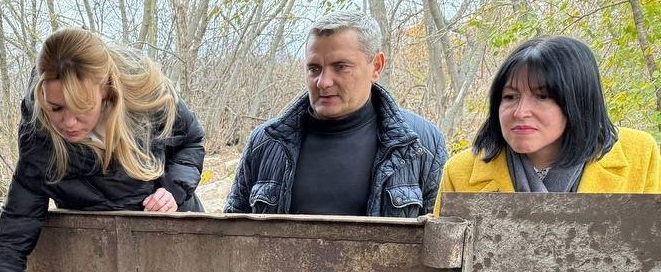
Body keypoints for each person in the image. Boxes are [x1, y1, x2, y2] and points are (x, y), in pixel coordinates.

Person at [0, 27, 206, 272]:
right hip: (103, 267)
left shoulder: (145, 97)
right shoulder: (39, 144)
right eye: (56, 107)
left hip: (175, 247)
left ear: (106, 91)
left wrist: (175, 189)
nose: (68, 123)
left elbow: (191, 142)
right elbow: (10, 240)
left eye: (81, 107)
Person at [223, 11, 447, 218]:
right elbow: (231, 237)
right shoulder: (266, 143)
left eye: (340, 67)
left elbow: (441, 242)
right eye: (314, 68)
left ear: (376, 66)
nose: (323, 82)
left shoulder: (421, 145)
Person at [436, 36, 660, 211]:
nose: (521, 112)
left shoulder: (638, 154)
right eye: (510, 97)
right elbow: (442, 267)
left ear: (578, 101)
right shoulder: (460, 172)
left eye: (542, 96)